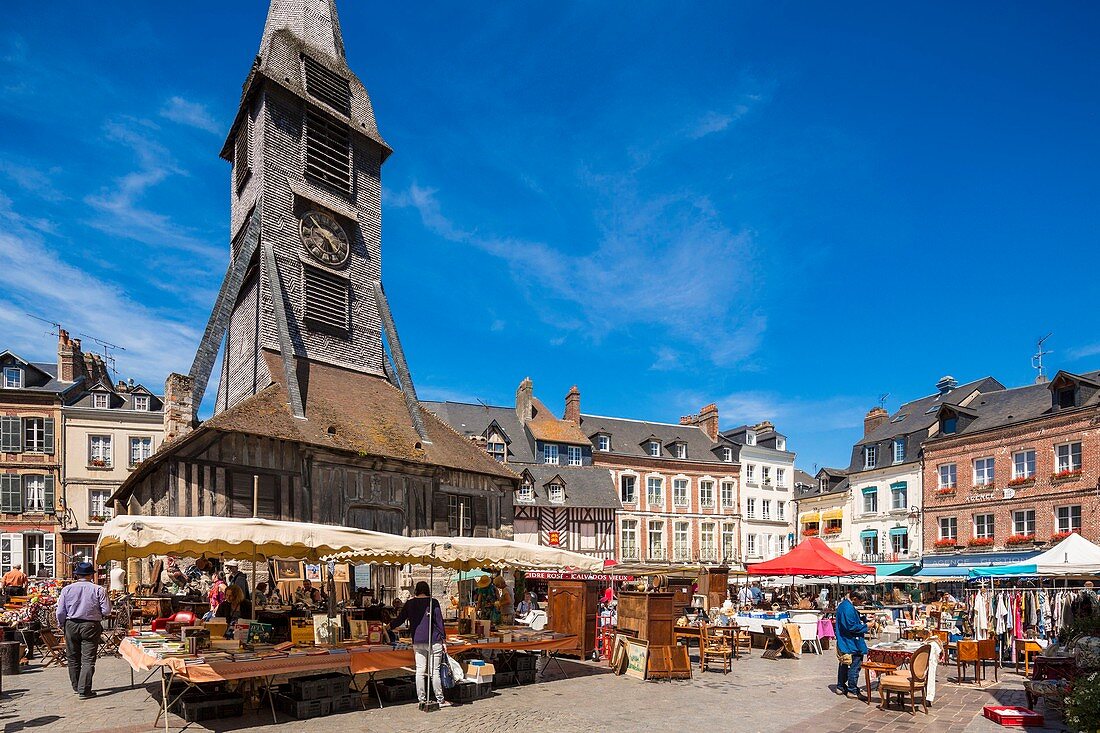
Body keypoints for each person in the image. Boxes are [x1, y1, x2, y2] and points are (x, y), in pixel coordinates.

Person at [389, 581, 452, 709]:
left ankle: (421, 700)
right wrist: (444, 640)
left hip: (417, 641)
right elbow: (439, 622)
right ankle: (440, 700)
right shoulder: (433, 602)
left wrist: (388, 627)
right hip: (433, 640)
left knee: (420, 670)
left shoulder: (410, 603)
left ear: (416, 590)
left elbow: (400, 619)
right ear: (427, 589)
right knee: (434, 671)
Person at [56, 561, 111, 698]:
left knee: (73, 657)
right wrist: (99, 614)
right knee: (88, 659)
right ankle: (84, 689)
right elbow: (107, 610)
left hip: (71, 624)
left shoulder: (67, 589)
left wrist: (61, 624)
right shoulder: (98, 589)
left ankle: (77, 686)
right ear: (91, 575)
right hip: (90, 625)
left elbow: (60, 611)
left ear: (77, 575)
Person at [834, 590, 870, 698]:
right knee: (854, 665)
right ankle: (852, 690)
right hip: (851, 642)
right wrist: (866, 626)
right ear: (854, 598)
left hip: (846, 641)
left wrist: (863, 619)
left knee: (844, 663)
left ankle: (840, 686)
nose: (861, 604)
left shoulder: (845, 605)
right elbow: (851, 626)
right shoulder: (847, 608)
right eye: (860, 601)